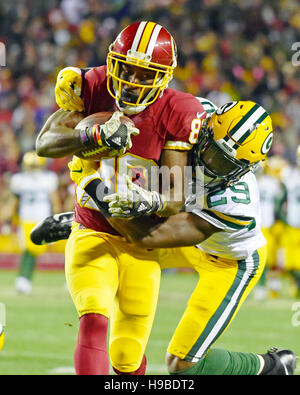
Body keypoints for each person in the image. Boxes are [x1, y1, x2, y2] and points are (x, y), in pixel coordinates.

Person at [33, 101, 297, 375]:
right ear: (206, 128)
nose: (210, 163)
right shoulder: (191, 117)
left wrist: (91, 184)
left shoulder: (235, 203)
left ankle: (272, 367)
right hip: (184, 235)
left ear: (245, 169)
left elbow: (148, 235)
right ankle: (79, 221)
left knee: (181, 364)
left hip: (227, 261)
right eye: (210, 149)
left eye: (224, 162)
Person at [35, 21, 212, 375]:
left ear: (164, 77)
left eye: (144, 73)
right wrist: (93, 136)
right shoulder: (90, 85)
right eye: (125, 67)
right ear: (111, 60)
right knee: (94, 318)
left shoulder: (178, 110)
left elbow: (177, 193)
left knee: (128, 355)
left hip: (140, 239)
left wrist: (148, 200)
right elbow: (45, 144)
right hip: (93, 231)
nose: (131, 79)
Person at [9, 151, 59, 294]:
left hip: (42, 219)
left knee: (35, 250)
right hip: (26, 219)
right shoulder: (20, 180)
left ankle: (24, 279)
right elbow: (14, 202)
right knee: (29, 250)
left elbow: (54, 201)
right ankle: (23, 279)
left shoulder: (48, 179)